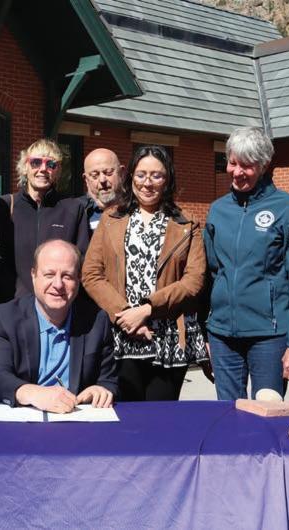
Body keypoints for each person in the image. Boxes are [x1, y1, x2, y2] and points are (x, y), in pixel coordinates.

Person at [82, 145, 207, 401]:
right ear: (131, 177)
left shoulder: (186, 223)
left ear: (167, 179)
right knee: (125, 414)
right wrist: (125, 315)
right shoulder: (111, 219)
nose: (147, 183)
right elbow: (92, 274)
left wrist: (147, 309)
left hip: (169, 337)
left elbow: (194, 280)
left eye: (156, 175)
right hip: (121, 334)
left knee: (161, 416)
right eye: (141, 175)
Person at [203, 126, 289, 400]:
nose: (237, 172)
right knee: (227, 413)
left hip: (269, 335)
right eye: (233, 163)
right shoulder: (218, 210)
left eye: (247, 166)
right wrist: (206, 332)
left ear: (264, 166)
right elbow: (211, 273)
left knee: (267, 412)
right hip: (222, 335)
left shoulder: (287, 207)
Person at [0, 240, 117, 412]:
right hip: (21, 416)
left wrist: (100, 390)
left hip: (74, 417)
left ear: (78, 279)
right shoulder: (2, 318)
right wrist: (33, 393)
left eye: (67, 276)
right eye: (49, 275)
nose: (58, 284)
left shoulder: (97, 321)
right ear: (33, 275)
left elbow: (108, 381)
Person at [0, 138, 88, 301]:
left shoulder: (73, 209)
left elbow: (82, 261)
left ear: (58, 170)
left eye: (51, 164)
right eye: (36, 162)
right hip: (12, 305)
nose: (43, 169)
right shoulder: (5, 207)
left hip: (57, 305)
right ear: (25, 166)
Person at [81, 148, 124, 233]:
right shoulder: (77, 214)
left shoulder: (136, 209)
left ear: (121, 173)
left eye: (108, 173)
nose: (102, 180)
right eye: (94, 175)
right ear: (86, 180)